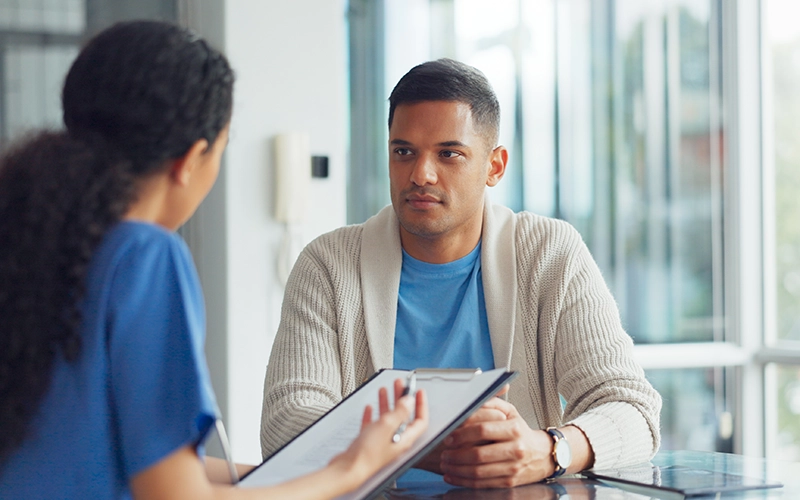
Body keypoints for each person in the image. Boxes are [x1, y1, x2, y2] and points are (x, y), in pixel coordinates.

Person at [0, 20, 427, 499]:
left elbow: (141, 464)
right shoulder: (144, 256)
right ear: (191, 159)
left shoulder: (29, 241)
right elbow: (177, 495)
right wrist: (354, 469)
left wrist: (304, 469)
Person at [261, 58, 662, 489]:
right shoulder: (327, 265)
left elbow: (631, 409)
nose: (420, 174)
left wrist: (548, 451)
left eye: (449, 153)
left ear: (495, 166)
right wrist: (427, 445)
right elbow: (287, 423)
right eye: (403, 152)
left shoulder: (549, 253)